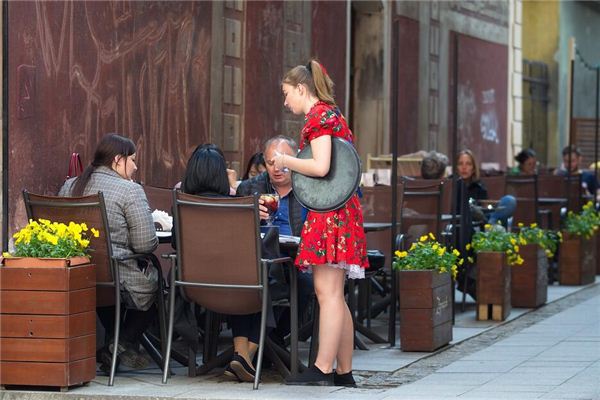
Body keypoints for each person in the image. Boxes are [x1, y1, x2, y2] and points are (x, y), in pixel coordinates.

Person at [272, 59, 368, 387]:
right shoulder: (331, 113)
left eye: (287, 93)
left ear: (302, 89)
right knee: (336, 295)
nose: (285, 101)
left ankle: (322, 369)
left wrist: (287, 161)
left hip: (330, 214)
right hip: (340, 210)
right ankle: (344, 372)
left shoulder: (319, 116)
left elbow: (322, 166)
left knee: (326, 293)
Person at [59, 133, 158, 373]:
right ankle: (121, 343)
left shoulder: (70, 185)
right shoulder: (129, 191)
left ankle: (116, 344)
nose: (135, 166)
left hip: (80, 274)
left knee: (104, 286)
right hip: (119, 276)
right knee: (156, 285)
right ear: (117, 160)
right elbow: (145, 244)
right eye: (132, 160)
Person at [178, 145, 264, 383]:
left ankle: (241, 356)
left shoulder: (183, 205)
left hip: (193, 287)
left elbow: (177, 242)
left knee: (247, 283)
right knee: (260, 282)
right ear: (220, 174)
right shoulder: (237, 205)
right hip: (237, 287)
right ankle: (245, 355)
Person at [236, 135, 312, 347]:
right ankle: (266, 346)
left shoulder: (308, 189)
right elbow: (235, 231)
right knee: (247, 282)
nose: (277, 168)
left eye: (283, 162)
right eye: (271, 163)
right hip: (257, 259)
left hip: (296, 260)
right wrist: (250, 215)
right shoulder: (250, 188)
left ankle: (272, 341)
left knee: (304, 285)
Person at [456, 149, 517, 226]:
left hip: (481, 219)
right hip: (462, 222)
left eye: (468, 164)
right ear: (456, 168)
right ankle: (491, 226)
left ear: (474, 168)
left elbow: (485, 210)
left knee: (510, 201)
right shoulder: (451, 185)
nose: (464, 167)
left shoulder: (479, 186)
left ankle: (491, 224)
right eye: (460, 164)